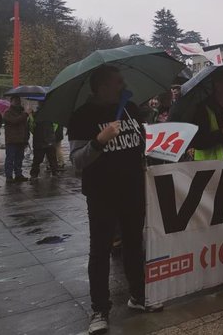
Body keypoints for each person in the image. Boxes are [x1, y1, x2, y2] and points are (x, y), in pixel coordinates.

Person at [68, 65, 162, 335]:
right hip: (102, 193)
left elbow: (139, 142)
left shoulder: (130, 107)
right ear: (101, 86)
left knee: (134, 244)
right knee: (100, 250)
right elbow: (77, 161)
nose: (123, 85)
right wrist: (99, 141)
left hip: (132, 189)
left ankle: (138, 295)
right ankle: (100, 308)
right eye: (118, 81)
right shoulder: (82, 116)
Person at [3, 96, 30, 183]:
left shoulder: (22, 113)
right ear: (11, 101)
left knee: (19, 158)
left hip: (21, 140)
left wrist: (26, 138)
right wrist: (25, 114)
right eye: (15, 101)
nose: (17, 102)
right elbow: (14, 121)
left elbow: (26, 127)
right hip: (11, 140)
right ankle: (9, 176)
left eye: (18, 100)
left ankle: (18, 175)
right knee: (10, 159)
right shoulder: (7, 113)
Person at [29, 109, 61, 178]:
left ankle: (34, 174)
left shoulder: (35, 114)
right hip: (46, 139)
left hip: (41, 139)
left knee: (40, 159)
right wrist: (51, 133)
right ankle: (54, 172)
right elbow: (55, 125)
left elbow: (31, 127)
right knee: (47, 158)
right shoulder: (50, 114)